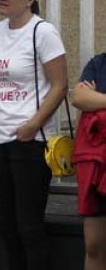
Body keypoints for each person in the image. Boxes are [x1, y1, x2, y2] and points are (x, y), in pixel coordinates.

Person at [0, 0, 67, 270]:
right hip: (1, 138)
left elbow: (60, 85)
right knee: (6, 224)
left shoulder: (42, 31)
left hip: (31, 141)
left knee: (29, 226)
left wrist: (33, 123)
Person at [71, 54, 106, 270]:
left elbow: (89, 99)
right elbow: (79, 98)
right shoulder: (99, 64)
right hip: (97, 165)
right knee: (94, 245)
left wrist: (98, 98)